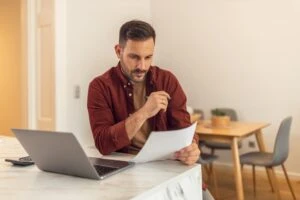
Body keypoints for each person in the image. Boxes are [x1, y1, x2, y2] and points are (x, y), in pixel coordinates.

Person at [87, 20, 200, 165]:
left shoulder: (167, 80)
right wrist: (144, 112)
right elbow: (103, 144)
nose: (142, 66)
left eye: (148, 57)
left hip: (165, 164)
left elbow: (184, 130)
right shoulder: (100, 87)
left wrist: (191, 148)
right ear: (118, 51)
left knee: (201, 189)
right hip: (125, 166)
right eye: (134, 57)